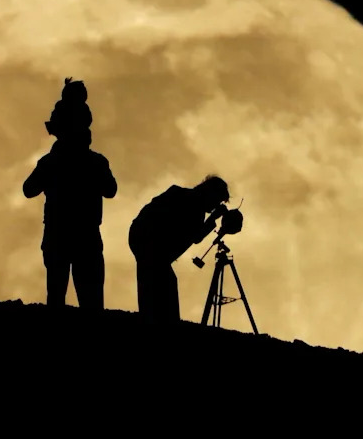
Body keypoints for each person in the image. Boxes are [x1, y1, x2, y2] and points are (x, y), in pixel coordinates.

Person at [24, 106, 116, 311]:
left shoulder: (51, 162)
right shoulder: (96, 162)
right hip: (85, 236)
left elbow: (29, 189)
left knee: (57, 296)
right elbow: (110, 190)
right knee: (90, 301)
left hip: (60, 235)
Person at [128, 175, 230, 324]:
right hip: (150, 244)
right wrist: (212, 219)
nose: (214, 206)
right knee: (160, 286)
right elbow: (195, 235)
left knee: (155, 284)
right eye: (216, 200)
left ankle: (156, 319)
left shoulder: (186, 199)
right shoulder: (187, 200)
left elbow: (193, 234)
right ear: (209, 193)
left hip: (148, 244)